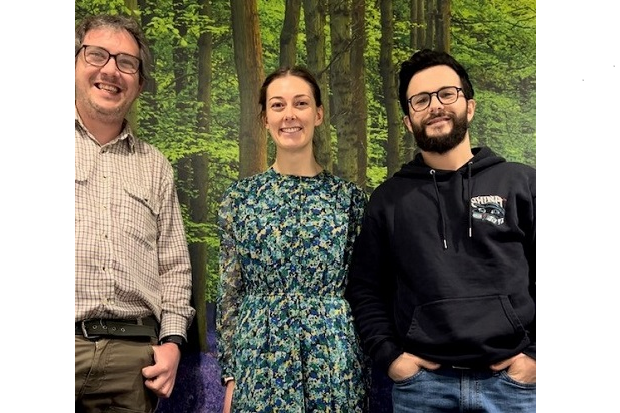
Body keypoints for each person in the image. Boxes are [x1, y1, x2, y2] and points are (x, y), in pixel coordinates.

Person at [345, 48, 536, 412]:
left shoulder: (522, 184)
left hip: (513, 389)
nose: (435, 106)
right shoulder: (389, 200)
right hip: (424, 391)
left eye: (446, 94)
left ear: (470, 106)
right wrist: (390, 358)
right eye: (420, 100)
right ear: (407, 121)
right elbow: (365, 288)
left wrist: (538, 357)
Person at [216, 66, 370, 412]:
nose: (290, 115)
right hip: (260, 360)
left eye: (300, 104)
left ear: (317, 115)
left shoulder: (349, 200)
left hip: (334, 360)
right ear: (264, 118)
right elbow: (229, 295)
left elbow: (364, 293)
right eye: (278, 105)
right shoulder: (240, 199)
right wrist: (231, 377)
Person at [75, 14, 195, 413]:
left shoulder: (155, 165)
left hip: (132, 363)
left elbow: (175, 267)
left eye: (127, 63)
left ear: (139, 84)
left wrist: (173, 343)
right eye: (97, 55)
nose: (111, 70)